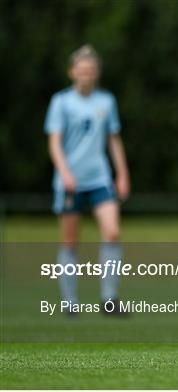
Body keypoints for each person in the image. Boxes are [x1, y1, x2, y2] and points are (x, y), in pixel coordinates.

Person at [44, 45, 130, 316]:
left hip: (100, 179)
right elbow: (54, 143)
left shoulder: (106, 101)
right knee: (70, 242)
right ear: (72, 73)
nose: (86, 75)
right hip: (70, 182)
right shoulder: (61, 102)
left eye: (91, 71)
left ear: (96, 74)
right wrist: (66, 173)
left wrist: (123, 174)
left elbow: (113, 140)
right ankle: (70, 303)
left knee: (112, 233)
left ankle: (109, 299)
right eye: (81, 70)